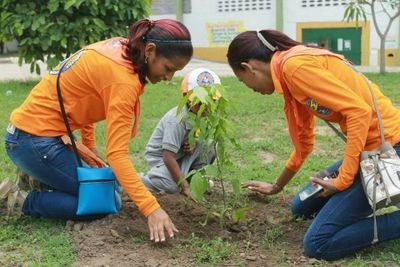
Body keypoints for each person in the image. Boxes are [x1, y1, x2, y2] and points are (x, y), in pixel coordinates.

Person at [2, 18, 193, 243]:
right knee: (104, 203)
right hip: (32, 141)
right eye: (168, 68)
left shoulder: (121, 48)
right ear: (150, 50)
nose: (168, 78)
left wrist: (90, 149)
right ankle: (20, 199)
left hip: (40, 136)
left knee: (109, 184)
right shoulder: (124, 80)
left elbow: (83, 95)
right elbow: (117, 155)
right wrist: (152, 209)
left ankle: (40, 179)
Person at [227, 29, 400, 260]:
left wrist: (344, 179)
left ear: (249, 67)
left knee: (318, 244)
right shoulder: (288, 76)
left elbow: (359, 112)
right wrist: (276, 186)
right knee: (301, 206)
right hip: (367, 151)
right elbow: (303, 145)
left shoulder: (295, 68)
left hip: (387, 151)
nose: (250, 88)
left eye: (243, 81)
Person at [140, 68, 219, 201]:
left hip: (181, 155)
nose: (205, 107)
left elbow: (197, 136)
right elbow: (168, 157)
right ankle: (140, 180)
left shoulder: (200, 115)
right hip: (163, 160)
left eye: (210, 102)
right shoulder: (176, 120)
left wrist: (194, 143)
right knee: (171, 187)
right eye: (200, 102)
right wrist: (185, 188)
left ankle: (193, 179)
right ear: (187, 98)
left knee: (210, 145)